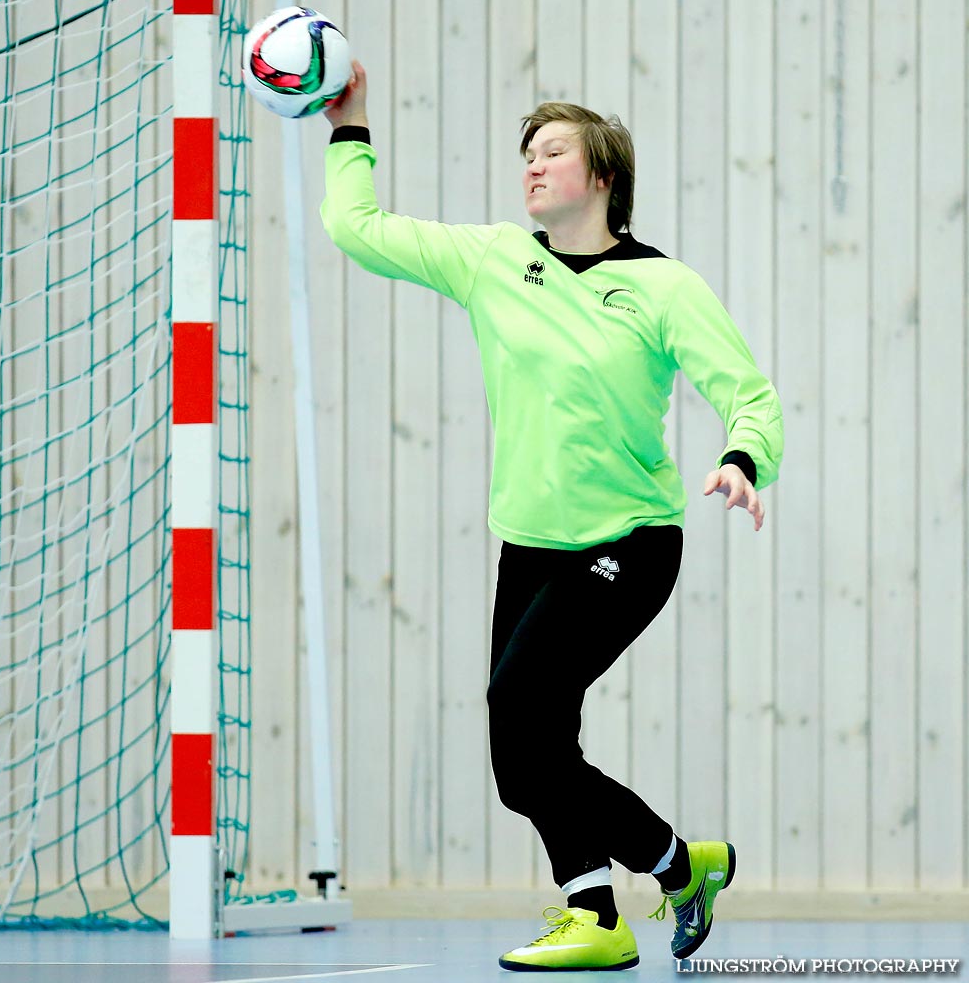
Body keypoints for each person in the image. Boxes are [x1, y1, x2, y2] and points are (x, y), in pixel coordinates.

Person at [320, 61, 783, 972]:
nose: (531, 166)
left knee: (520, 713)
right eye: (526, 154)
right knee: (524, 763)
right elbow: (355, 227)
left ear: (603, 176)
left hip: (631, 542)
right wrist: (353, 120)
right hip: (529, 546)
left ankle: (659, 879)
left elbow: (750, 395)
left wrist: (740, 459)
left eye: (553, 152)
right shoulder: (497, 259)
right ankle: (637, 894)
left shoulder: (663, 287)